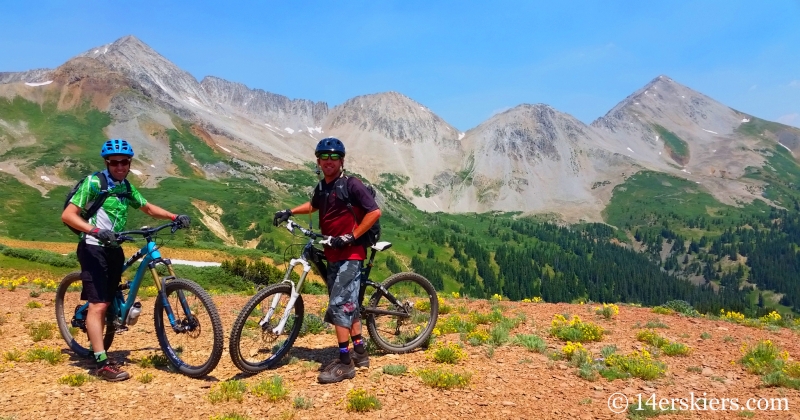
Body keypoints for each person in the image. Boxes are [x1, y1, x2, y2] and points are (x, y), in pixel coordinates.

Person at [61, 139, 190, 382]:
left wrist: (174, 216)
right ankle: (101, 363)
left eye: (125, 162)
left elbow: (148, 208)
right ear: (107, 162)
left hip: (114, 247)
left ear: (130, 163)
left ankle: (110, 320)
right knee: (99, 305)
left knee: (108, 300)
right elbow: (68, 215)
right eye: (115, 162)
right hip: (93, 247)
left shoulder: (125, 187)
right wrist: (94, 231)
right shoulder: (94, 183)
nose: (120, 166)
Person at [273, 137, 381, 384]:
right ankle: (360, 353)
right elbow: (314, 205)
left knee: (339, 305)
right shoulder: (323, 187)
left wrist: (351, 236)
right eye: (324, 157)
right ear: (318, 161)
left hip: (351, 253)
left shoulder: (351, 184)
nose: (329, 161)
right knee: (348, 304)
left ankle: (345, 364)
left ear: (341, 160)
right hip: (333, 252)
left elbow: (374, 211)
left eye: (334, 157)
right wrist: (289, 211)